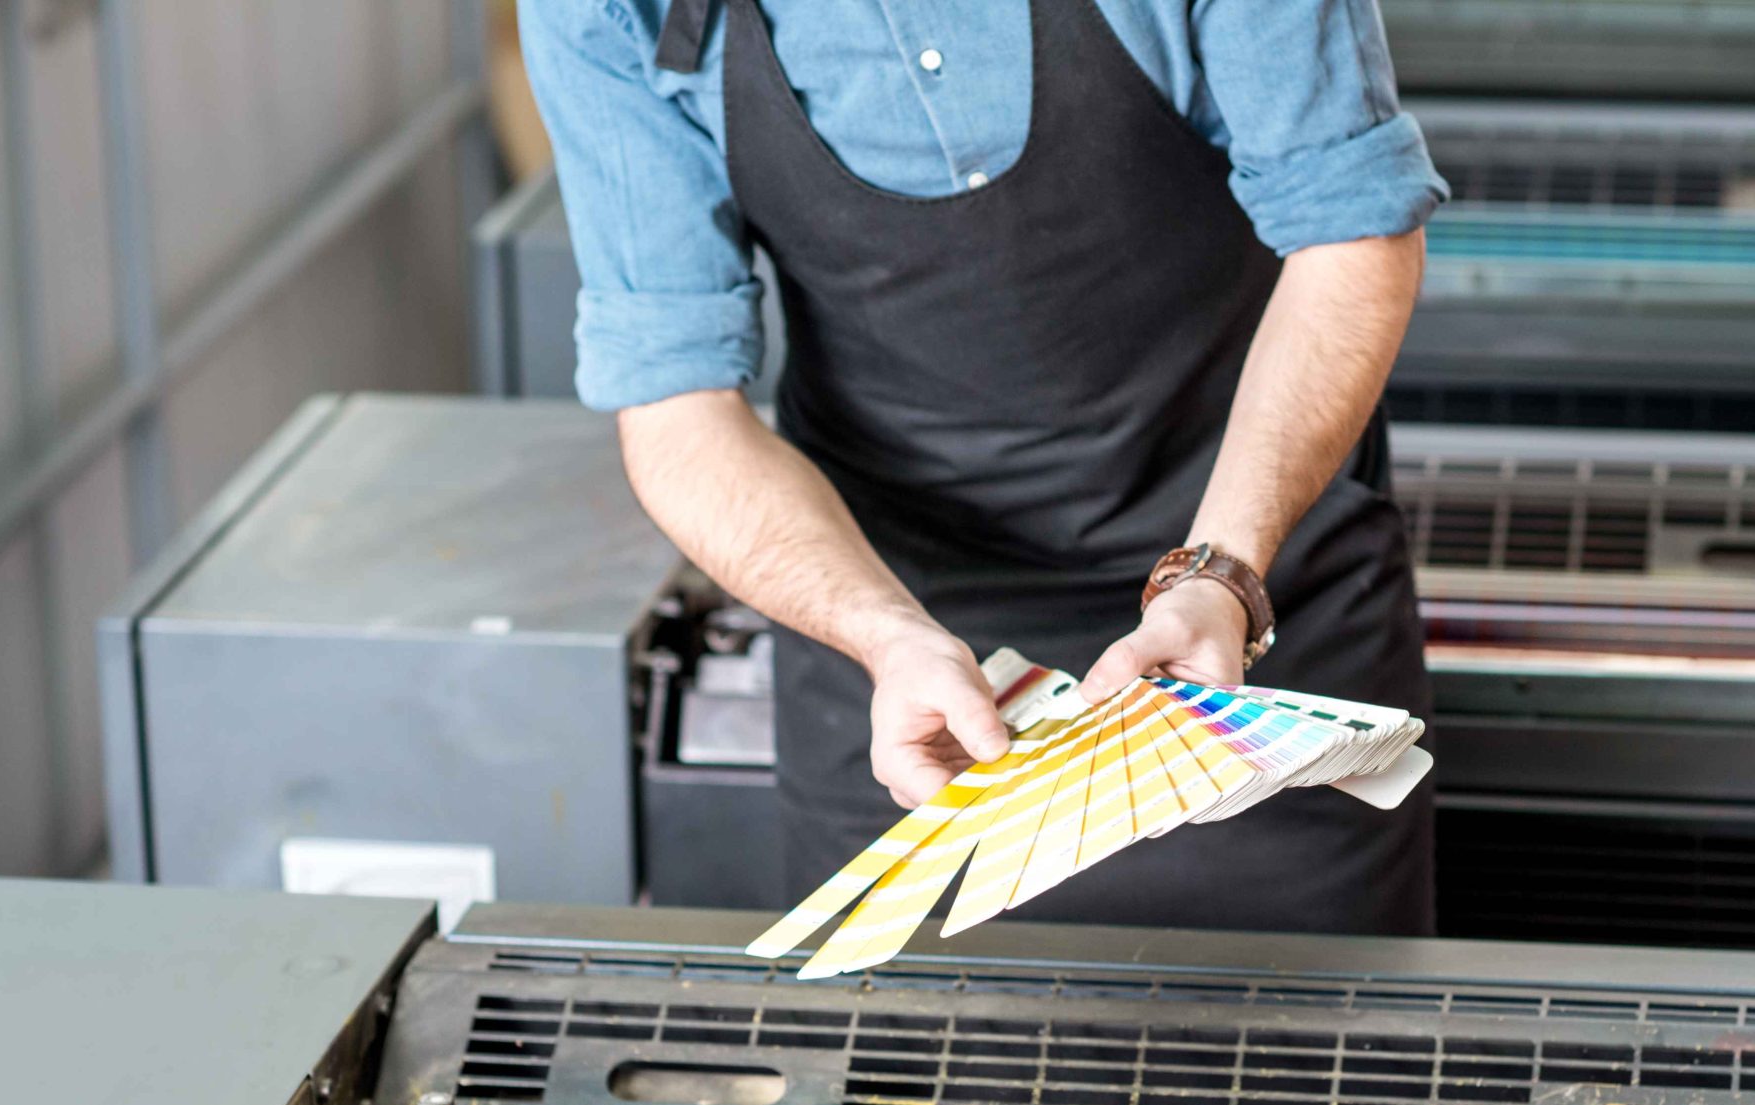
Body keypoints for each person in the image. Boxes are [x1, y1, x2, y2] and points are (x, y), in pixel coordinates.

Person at [521, 0, 1444, 935]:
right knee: (912, 1070)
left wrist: (1222, 574)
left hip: (1254, 620)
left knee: (1311, 1056)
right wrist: (885, 636)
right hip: (904, 680)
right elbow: (678, 410)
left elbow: (1352, 234)